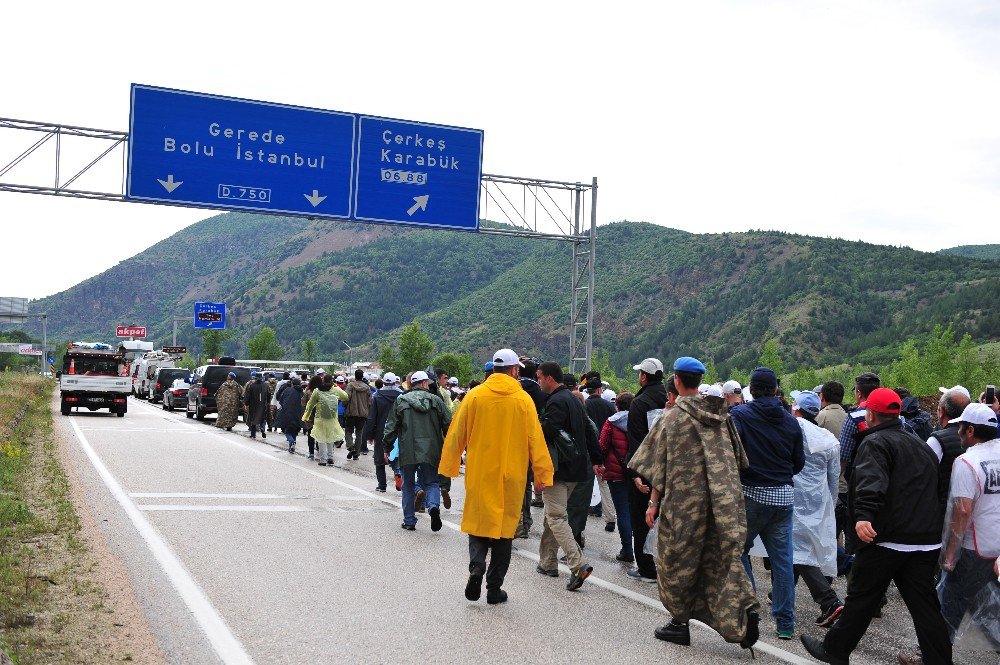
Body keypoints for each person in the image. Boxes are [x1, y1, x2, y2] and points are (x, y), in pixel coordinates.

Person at [801, 388, 951, 665]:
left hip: (887, 538)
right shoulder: (920, 443)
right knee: (925, 606)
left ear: (870, 414)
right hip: (925, 539)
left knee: (861, 597)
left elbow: (872, 481)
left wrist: (863, 516)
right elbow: (939, 489)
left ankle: (834, 650)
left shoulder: (876, 442)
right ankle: (940, 660)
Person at [629, 356, 760, 649]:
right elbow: (740, 461)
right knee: (722, 558)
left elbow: (654, 466)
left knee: (677, 562)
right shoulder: (723, 417)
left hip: (684, 505)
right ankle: (743, 608)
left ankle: (679, 623)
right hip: (724, 501)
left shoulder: (672, 418)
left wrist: (653, 503)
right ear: (699, 381)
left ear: (676, 380)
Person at [440, 348, 554, 605]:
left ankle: (477, 566)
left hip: (481, 472)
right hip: (512, 475)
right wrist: (543, 475)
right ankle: (494, 588)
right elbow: (536, 440)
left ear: (494, 368)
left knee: (479, 524)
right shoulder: (523, 400)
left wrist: (448, 467)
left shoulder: (475, 396)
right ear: (514, 370)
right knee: (504, 532)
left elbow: (456, 434)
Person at [730, 367, 805, 640]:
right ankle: (785, 623)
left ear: (752, 389)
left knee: (738, 550)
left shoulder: (739, 415)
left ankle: (751, 610)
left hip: (752, 493)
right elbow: (799, 463)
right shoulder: (791, 422)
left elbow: (731, 453)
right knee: (783, 561)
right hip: (784, 496)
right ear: (775, 390)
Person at [535, 361, 602, 591]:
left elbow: (546, 432)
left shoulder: (555, 402)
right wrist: (597, 459)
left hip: (559, 468)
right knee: (552, 514)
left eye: (540, 378)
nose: (538, 382)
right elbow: (590, 430)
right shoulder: (574, 399)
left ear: (550, 379)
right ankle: (547, 562)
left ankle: (578, 563)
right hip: (578, 468)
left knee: (556, 518)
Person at [937, 402, 1000, 640]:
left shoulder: (966, 462)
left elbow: (963, 510)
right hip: (997, 549)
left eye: (961, 427)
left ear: (970, 431)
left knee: (949, 602)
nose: (958, 432)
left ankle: (933, 655)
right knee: (990, 604)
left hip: (974, 547)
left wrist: (950, 555)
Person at [789, 391, 844, 627]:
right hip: (818, 501)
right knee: (799, 549)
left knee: (798, 551)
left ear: (797, 409)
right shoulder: (829, 439)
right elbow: (834, 478)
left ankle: (828, 600)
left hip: (793, 499)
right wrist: (829, 505)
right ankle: (782, 592)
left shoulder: (791, 428)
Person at [383, 370, 452, 531]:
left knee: (407, 484)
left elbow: (391, 427)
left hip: (408, 449)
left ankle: (409, 520)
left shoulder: (401, 401)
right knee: (432, 482)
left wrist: (387, 447)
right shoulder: (436, 400)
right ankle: (433, 506)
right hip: (432, 448)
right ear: (424, 383)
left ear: (411, 384)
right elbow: (449, 425)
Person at [624, 357, 668, 584]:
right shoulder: (670, 398)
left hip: (647, 470)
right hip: (669, 469)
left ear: (643, 376)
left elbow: (637, 442)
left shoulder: (639, 403)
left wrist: (635, 474)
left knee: (642, 519)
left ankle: (646, 567)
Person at [598, 391, 635, 562]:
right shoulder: (638, 421)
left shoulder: (611, 423)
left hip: (616, 473)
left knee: (622, 512)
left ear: (617, 405)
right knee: (634, 511)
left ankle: (627, 550)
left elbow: (603, 446)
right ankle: (640, 548)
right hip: (635, 473)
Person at [927, 388, 972, 516]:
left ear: (941, 412)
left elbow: (923, 474)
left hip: (943, 510)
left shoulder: (936, 440)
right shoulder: (977, 437)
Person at [583, 372, 617, 533]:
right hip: (604, 449)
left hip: (587, 450)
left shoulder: (583, 406)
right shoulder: (609, 406)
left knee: (584, 484)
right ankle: (610, 518)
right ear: (599, 390)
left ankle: (581, 518)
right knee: (604, 484)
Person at [516, 357, 545, 538]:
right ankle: (526, 523)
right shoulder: (542, 392)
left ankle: (515, 522)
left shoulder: (514, 389)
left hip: (513, 441)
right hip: (533, 441)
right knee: (527, 483)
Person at [365, 372, 403, 492]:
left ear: (384, 382)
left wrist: (370, 435)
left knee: (379, 458)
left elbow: (372, 417)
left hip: (381, 431)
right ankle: (398, 474)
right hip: (398, 431)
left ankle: (382, 485)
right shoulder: (402, 395)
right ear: (395, 382)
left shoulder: (377, 396)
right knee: (396, 454)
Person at [304, 375, 350, 466]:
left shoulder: (317, 391)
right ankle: (330, 457)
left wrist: (306, 415)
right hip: (332, 418)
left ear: (323, 381)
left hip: (320, 418)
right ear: (332, 381)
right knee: (330, 437)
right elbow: (346, 397)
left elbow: (310, 404)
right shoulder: (335, 389)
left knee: (321, 439)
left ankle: (323, 460)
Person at [343, 370, 371, 460]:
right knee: (359, 433)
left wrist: (345, 405)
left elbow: (346, 398)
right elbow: (370, 402)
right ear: (362, 376)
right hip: (362, 414)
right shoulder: (367, 388)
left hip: (351, 412)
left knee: (348, 431)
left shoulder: (351, 385)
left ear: (355, 376)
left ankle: (351, 447)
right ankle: (356, 453)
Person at [275, 377, 305, 453]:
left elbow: (281, 401)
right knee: (295, 430)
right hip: (298, 414)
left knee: (287, 430)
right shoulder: (302, 392)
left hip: (287, 413)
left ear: (292, 384)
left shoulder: (287, 390)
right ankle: (292, 446)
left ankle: (291, 441)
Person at [243, 371, 270, 439]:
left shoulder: (252, 386)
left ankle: (253, 434)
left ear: (255, 378)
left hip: (254, 405)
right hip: (263, 405)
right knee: (262, 418)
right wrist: (268, 403)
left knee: (253, 419)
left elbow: (248, 396)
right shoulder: (265, 385)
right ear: (261, 378)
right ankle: (262, 427)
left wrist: (246, 404)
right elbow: (269, 395)